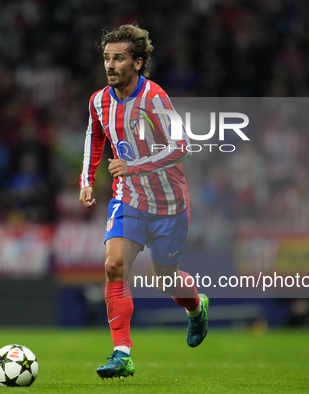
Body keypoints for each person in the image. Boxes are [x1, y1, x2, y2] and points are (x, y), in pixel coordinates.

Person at [79, 24, 209, 380]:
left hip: (169, 204)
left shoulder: (155, 98)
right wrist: (87, 181)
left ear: (137, 62)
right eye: (106, 57)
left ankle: (196, 308)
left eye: (118, 58)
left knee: (165, 280)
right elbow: (95, 138)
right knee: (114, 266)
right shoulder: (99, 101)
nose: (110, 65)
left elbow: (181, 146)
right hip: (130, 200)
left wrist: (133, 164)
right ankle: (122, 353)